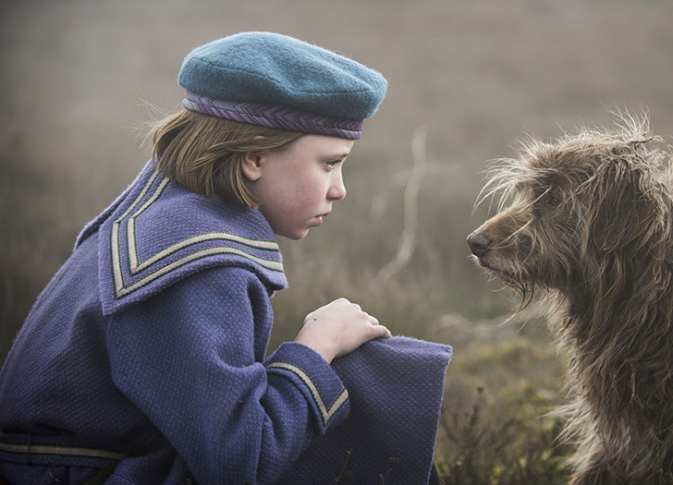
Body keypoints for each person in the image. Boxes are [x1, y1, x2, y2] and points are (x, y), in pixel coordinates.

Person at [0, 31, 451, 484]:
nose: (340, 188)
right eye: (329, 163)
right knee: (367, 377)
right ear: (254, 157)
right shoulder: (194, 267)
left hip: (77, 466)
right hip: (69, 476)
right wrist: (317, 346)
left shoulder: (170, 214)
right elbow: (241, 466)